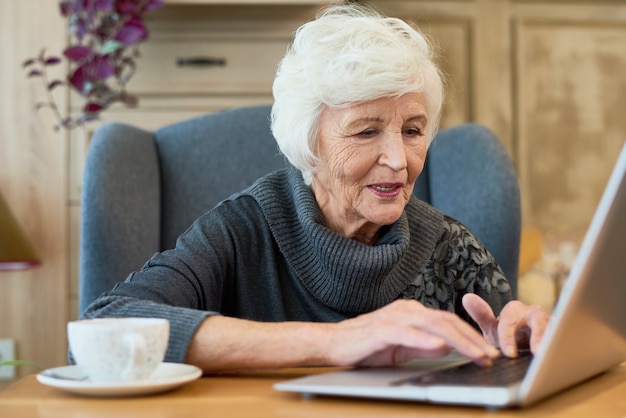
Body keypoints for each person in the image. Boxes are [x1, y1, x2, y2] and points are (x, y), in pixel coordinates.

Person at [81, 4, 549, 373]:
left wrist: (526, 339)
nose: (400, 160)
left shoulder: (451, 248)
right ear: (310, 145)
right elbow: (107, 323)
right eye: (366, 131)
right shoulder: (241, 231)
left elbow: (509, 356)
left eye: (412, 130)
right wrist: (335, 342)